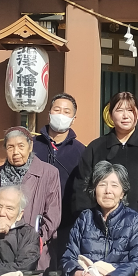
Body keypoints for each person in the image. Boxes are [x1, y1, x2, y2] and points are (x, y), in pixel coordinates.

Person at [74, 91, 138, 272]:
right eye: (119, 110)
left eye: (130, 110)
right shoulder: (96, 147)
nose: (125, 115)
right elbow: (83, 184)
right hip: (102, 232)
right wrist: (93, 217)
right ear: (110, 115)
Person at [0, 126, 61, 271]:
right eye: (10, 147)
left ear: (30, 147)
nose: (16, 152)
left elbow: (53, 215)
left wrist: (36, 241)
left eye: (21, 146)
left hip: (33, 247)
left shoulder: (49, 173)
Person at [33, 93, 85, 259]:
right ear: (49, 113)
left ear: (74, 118)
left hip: (68, 223)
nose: (61, 115)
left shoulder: (81, 151)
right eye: (57, 110)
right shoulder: (31, 147)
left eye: (66, 112)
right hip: (34, 221)